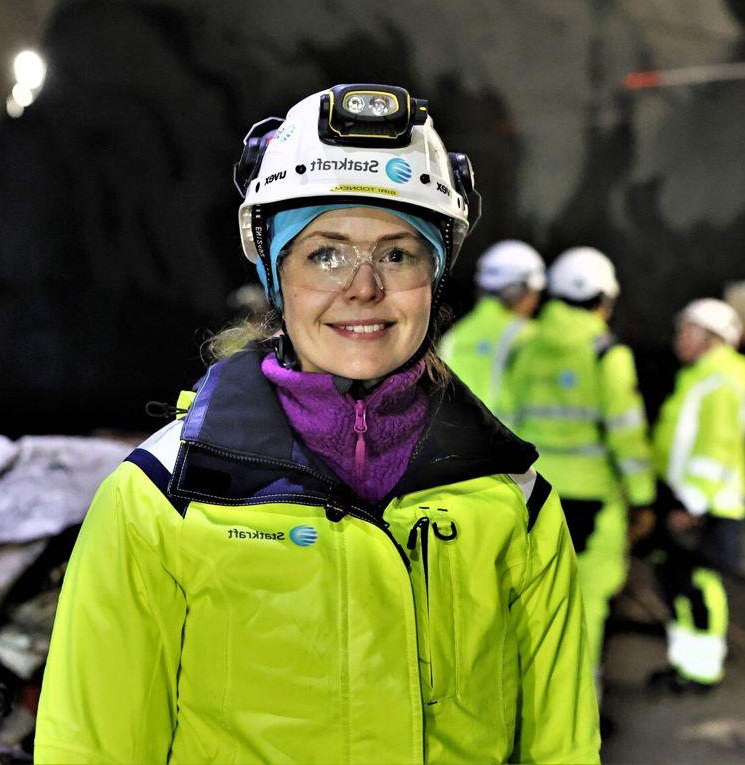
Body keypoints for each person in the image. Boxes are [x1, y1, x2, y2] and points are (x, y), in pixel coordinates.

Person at [35, 85, 599, 763]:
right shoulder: (163, 499)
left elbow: (562, 749)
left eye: (398, 253)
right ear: (277, 276)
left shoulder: (517, 503)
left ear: (437, 273)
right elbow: (92, 749)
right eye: (324, 253)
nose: (362, 288)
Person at [506, 246, 656, 692]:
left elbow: (509, 418)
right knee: (585, 605)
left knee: (533, 601)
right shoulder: (606, 354)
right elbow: (626, 437)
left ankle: (527, 709)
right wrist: (644, 499)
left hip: (532, 493)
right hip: (592, 500)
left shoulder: (526, 345)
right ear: (603, 301)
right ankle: (576, 716)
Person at [646, 298, 745, 693]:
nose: (679, 338)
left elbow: (716, 446)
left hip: (706, 505)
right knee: (678, 585)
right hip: (689, 499)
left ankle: (702, 671)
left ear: (710, 337)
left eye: (686, 330)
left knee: (698, 587)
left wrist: (692, 503)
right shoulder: (703, 376)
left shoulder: (721, 380)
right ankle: (686, 665)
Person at [438, 239, 546, 415]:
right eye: (534, 294)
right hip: (510, 438)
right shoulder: (530, 336)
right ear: (517, 291)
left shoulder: (454, 337)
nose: (535, 303)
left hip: (459, 439)